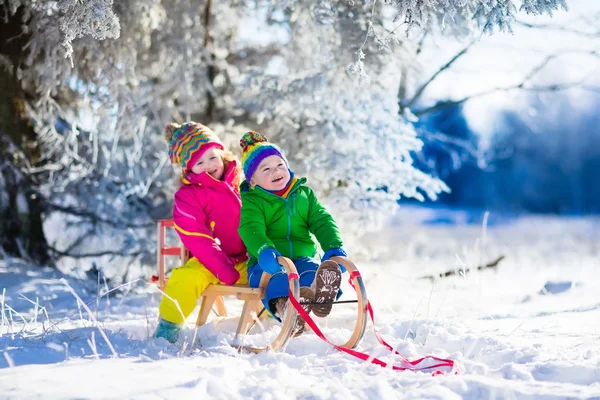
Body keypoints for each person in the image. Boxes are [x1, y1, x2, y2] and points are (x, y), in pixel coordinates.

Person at [238, 131, 346, 335]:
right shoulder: (253, 201)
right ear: (253, 180)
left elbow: (322, 220)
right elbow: (250, 228)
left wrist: (333, 245)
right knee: (278, 281)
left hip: (302, 258)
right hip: (268, 263)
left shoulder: (304, 194)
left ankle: (318, 293)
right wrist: (263, 250)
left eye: (280, 165)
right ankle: (287, 310)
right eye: (266, 169)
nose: (275, 171)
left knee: (310, 273)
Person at [154, 122, 248, 343]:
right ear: (188, 168)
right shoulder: (188, 196)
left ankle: (277, 313)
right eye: (199, 162)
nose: (208, 165)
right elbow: (196, 236)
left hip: (248, 259)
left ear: (222, 153)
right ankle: (168, 327)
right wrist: (222, 267)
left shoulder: (241, 183)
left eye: (212, 157)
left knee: (273, 272)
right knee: (186, 277)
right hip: (210, 262)